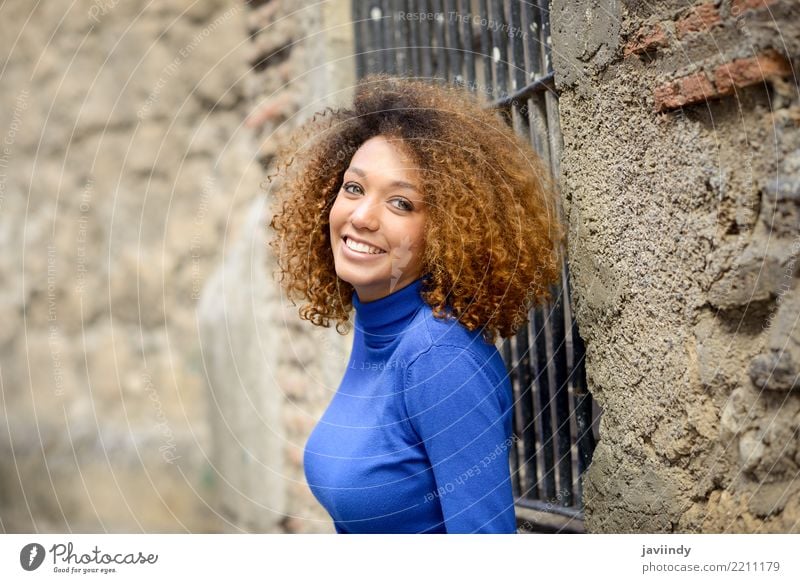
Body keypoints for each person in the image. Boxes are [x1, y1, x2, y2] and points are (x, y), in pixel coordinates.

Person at [267, 74, 564, 533]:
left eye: (402, 203)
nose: (362, 217)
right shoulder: (380, 325)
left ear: (449, 230)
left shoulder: (438, 358)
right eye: (354, 188)